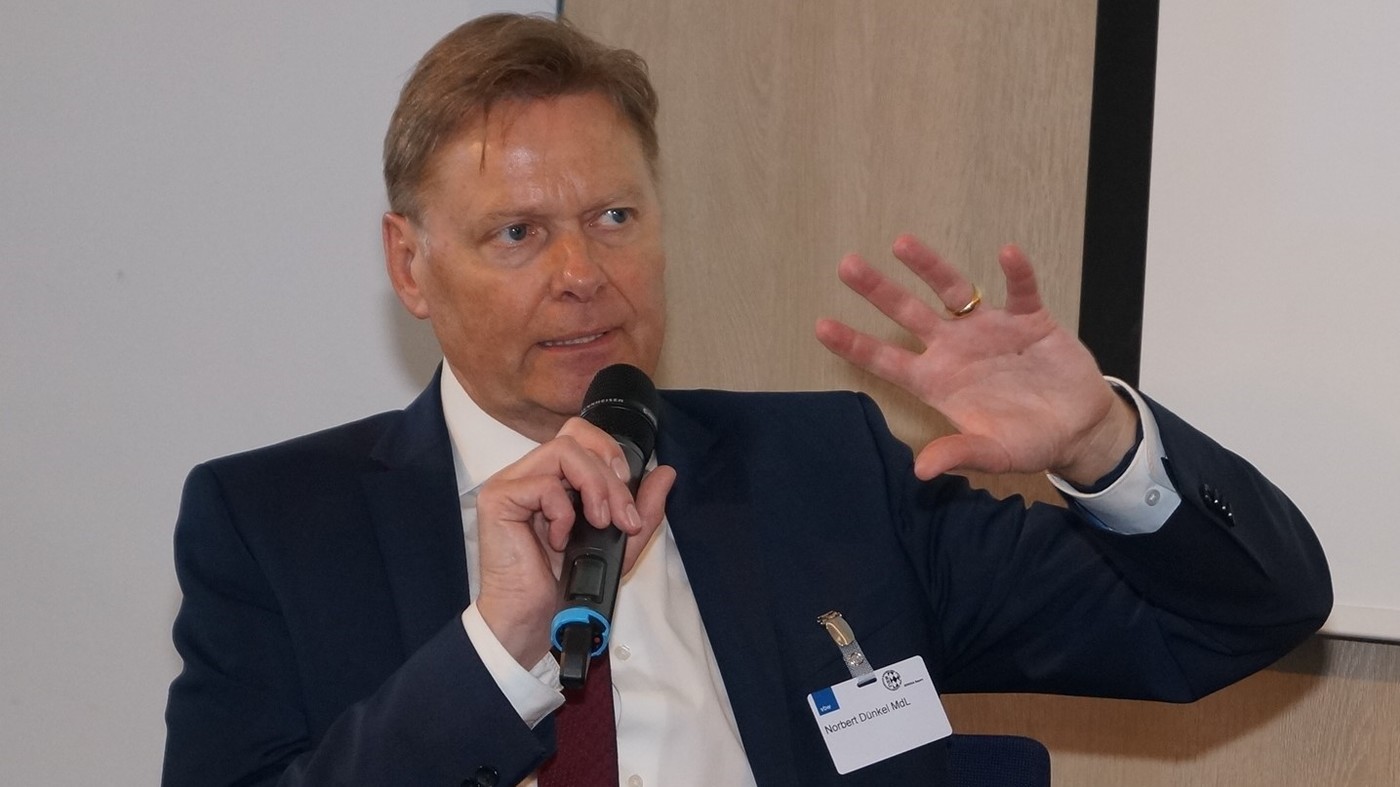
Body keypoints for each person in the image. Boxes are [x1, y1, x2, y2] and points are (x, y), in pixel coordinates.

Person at [162, 13, 1331, 787]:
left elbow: (1236, 617)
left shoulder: (822, 472)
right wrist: (495, 653)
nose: (582, 272)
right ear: (409, 264)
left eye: (614, 217)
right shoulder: (275, 526)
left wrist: (1100, 444)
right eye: (516, 232)